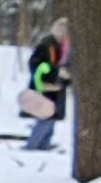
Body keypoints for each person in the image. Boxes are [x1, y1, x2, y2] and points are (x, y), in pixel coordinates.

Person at [24, 18, 70, 151]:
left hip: (56, 86)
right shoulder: (47, 44)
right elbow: (35, 64)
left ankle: (44, 143)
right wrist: (55, 72)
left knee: (53, 116)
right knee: (46, 116)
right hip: (44, 86)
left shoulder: (62, 46)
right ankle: (32, 144)